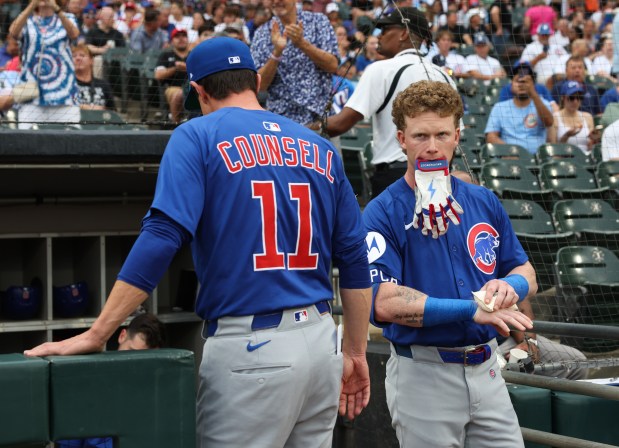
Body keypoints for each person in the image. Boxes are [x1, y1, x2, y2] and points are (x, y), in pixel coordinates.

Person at [25, 37, 372, 448]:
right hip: (321, 344)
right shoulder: (318, 146)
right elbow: (353, 257)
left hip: (253, 348)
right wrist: (355, 351)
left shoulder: (196, 135)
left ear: (199, 91)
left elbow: (162, 237)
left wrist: (99, 332)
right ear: (257, 80)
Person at [363, 79, 535, 447]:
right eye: (420, 135)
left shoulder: (483, 200)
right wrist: (471, 309)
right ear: (401, 139)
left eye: (442, 134)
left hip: (488, 369)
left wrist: (510, 287)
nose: (431, 147)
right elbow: (384, 301)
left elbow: (526, 272)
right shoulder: (381, 212)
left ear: (457, 136)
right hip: (424, 374)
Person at [319, 7, 458, 199]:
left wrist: (294, 128)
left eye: (385, 30)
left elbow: (338, 125)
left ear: (403, 33)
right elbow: (455, 136)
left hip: (396, 178)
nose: (379, 35)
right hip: (439, 176)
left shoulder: (380, 69)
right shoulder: (444, 75)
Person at [55, 313, 168, 448]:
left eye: (146, 360)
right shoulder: (85, 387)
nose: (134, 365)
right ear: (122, 336)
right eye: (131, 352)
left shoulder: (161, 397)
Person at [250, 0, 338, 125]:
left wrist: (302, 44)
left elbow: (333, 65)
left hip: (321, 119)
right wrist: (277, 52)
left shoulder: (318, 22)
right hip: (283, 122)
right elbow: (260, 85)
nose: (276, 2)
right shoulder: (262, 34)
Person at [9, 0, 80, 129]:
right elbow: (13, 32)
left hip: (64, 94)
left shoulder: (68, 18)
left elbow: (74, 34)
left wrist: (56, 8)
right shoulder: (27, 21)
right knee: (26, 141)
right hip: (31, 94)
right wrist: (31, 6)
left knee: (69, 141)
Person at [498, 297, 588, 380]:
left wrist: (530, 342)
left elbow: (522, 305)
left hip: (508, 338)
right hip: (488, 345)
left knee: (577, 363)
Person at [485, 69, 554, 154]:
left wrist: (533, 93)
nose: (521, 85)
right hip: (509, 157)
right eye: (518, 81)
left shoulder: (543, 103)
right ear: (511, 85)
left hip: (537, 158)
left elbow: (549, 122)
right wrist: (510, 151)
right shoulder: (499, 107)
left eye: (525, 81)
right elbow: (491, 137)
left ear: (533, 85)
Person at [547, 81, 595, 155]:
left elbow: (591, 147)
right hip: (564, 159)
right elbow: (553, 150)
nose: (575, 101)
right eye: (571, 98)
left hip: (586, 159)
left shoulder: (588, 117)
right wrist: (566, 136)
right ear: (563, 98)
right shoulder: (555, 118)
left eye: (579, 97)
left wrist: (594, 140)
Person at [154, 27, 189, 123]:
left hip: (192, 87)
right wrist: (175, 69)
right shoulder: (166, 55)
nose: (181, 39)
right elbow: (158, 75)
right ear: (172, 41)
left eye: (184, 36)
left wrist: (186, 67)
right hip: (172, 87)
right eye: (177, 36)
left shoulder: (193, 54)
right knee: (180, 94)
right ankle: (175, 123)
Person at [73, 44, 116, 110]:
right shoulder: (67, 85)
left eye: (82, 55)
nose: (77, 58)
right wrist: (85, 107)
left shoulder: (103, 85)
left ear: (91, 60)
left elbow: (113, 112)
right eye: (74, 56)